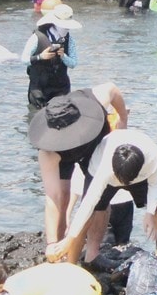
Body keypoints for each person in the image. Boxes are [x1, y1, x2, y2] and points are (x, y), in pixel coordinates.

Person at [30, 83, 128, 257]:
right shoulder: (48, 151)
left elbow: (112, 88)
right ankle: (59, 249)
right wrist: (52, 244)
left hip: (94, 143)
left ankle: (92, 253)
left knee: (98, 201)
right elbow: (52, 198)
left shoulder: (94, 100)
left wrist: (122, 119)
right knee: (62, 198)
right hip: (61, 157)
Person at [49, 127, 157, 264]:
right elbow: (88, 204)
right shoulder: (104, 167)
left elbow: (155, 186)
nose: (122, 184)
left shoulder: (153, 157)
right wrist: (69, 239)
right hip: (104, 169)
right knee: (94, 212)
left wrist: (149, 212)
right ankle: (82, 261)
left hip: (137, 173)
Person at [22, 2, 80, 111]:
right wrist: (41, 56)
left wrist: (63, 56)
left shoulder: (70, 40)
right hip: (39, 88)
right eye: (63, 26)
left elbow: (73, 63)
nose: (66, 29)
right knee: (37, 118)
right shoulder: (37, 37)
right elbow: (24, 59)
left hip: (61, 88)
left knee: (62, 117)